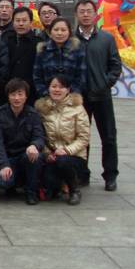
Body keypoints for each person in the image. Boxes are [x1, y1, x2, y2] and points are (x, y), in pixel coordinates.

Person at [75, 0, 122, 191]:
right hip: (79, 98)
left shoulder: (106, 39)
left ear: (95, 14)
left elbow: (115, 65)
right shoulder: (71, 39)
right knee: (81, 138)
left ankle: (110, 175)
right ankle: (82, 174)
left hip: (102, 96)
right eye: (82, 11)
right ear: (77, 15)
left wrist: (105, 83)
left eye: (89, 11)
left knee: (108, 137)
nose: (85, 15)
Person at [35, 75, 90, 205]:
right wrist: (47, 153)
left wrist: (66, 150)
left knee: (63, 161)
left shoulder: (78, 108)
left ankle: (74, 190)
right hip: (52, 155)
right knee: (49, 186)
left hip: (74, 156)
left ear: (68, 89)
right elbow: (40, 135)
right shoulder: (42, 109)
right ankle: (58, 185)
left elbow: (84, 138)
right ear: (48, 88)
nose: (57, 90)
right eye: (54, 86)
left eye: (61, 87)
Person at [0, 79, 45, 205]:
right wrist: (4, 164)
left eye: (20, 94)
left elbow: (39, 136)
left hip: (25, 155)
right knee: (4, 182)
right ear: (8, 96)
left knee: (36, 156)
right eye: (13, 94)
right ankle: (12, 185)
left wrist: (34, 145)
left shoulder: (33, 114)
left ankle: (31, 192)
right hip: (8, 157)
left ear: (26, 96)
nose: (16, 98)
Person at [33, 17, 86, 98]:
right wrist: (46, 94)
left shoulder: (77, 49)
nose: (59, 33)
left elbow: (81, 77)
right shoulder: (42, 50)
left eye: (63, 30)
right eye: (56, 30)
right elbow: (37, 77)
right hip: (47, 99)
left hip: (71, 99)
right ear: (50, 32)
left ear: (69, 32)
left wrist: (69, 95)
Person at [2, 7, 42, 103]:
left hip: (31, 93)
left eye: (24, 20)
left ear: (31, 22)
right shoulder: (6, 41)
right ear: (13, 22)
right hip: (9, 91)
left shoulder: (38, 43)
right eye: (17, 20)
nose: (20, 24)